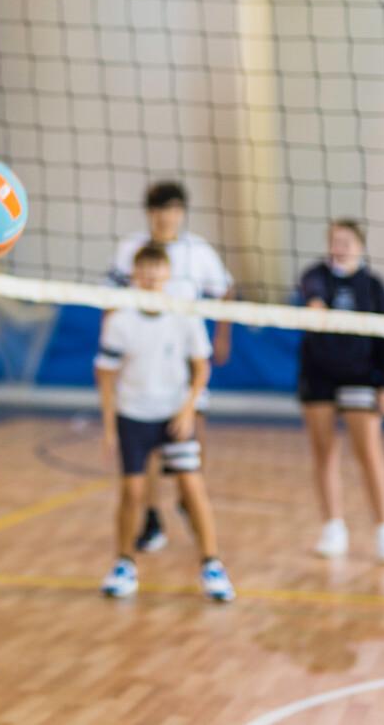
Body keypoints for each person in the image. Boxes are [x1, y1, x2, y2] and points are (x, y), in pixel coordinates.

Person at [96, 244, 235, 602]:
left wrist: (188, 409)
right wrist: (110, 425)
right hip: (133, 415)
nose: (151, 275)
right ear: (135, 275)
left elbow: (202, 367)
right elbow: (105, 374)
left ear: (168, 274)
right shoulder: (121, 319)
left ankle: (212, 565)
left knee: (191, 486)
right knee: (132, 492)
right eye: (145, 269)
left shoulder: (183, 314)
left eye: (158, 269)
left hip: (174, 415)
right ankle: (124, 564)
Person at [108, 181, 233, 553]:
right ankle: (150, 516)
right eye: (160, 209)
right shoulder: (130, 249)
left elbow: (225, 288)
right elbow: (108, 297)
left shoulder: (197, 251)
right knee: (144, 448)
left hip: (183, 354)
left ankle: (185, 498)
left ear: (181, 213)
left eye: (174, 209)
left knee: (192, 435)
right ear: (150, 213)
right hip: (141, 352)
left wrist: (223, 336)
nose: (167, 216)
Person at [298, 219, 384, 565]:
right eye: (333, 241)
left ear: (359, 245)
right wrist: (314, 302)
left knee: (369, 454)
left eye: (345, 241)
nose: (339, 247)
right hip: (319, 375)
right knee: (323, 453)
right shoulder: (317, 276)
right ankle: (333, 527)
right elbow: (311, 289)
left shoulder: (372, 286)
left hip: (360, 375)